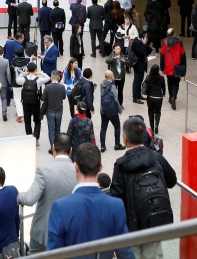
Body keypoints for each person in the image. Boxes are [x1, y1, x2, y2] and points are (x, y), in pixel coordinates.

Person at [46, 143, 135, 259]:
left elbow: (53, 253)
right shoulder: (116, 206)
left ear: (76, 167)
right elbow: (126, 253)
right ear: (100, 167)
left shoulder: (60, 207)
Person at [109, 117, 177, 257]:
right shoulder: (157, 158)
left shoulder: (121, 166)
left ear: (125, 138)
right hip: (153, 223)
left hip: (131, 229)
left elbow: (116, 200)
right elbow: (172, 181)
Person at [18, 133, 77, 253]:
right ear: (71, 150)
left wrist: (18, 196)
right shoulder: (79, 172)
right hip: (69, 230)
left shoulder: (43, 171)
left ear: (53, 147)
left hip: (43, 231)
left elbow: (29, 199)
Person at [17, 62, 50, 147]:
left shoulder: (23, 79)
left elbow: (17, 80)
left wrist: (22, 74)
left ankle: (29, 137)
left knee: (27, 121)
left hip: (26, 103)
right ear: (35, 70)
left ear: (27, 70)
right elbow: (48, 78)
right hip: (36, 102)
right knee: (37, 121)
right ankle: (36, 139)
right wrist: (40, 73)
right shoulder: (38, 80)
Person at [160, 28, 187, 109]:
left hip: (168, 67)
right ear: (174, 34)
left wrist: (162, 67)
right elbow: (183, 55)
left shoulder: (164, 42)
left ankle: (170, 97)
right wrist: (184, 65)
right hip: (177, 67)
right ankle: (173, 97)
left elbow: (162, 55)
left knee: (169, 82)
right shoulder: (179, 42)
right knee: (176, 83)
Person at [40, 71, 67, 152]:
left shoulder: (48, 87)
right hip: (59, 110)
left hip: (50, 110)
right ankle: (58, 146)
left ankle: (52, 147)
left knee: (51, 129)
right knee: (58, 128)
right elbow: (64, 97)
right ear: (59, 78)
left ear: (51, 77)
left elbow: (43, 98)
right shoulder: (62, 87)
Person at [99, 70, 124, 153]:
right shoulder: (112, 86)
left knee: (103, 128)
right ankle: (117, 144)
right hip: (112, 110)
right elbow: (116, 99)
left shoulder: (101, 84)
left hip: (104, 109)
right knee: (117, 126)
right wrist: (119, 109)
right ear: (111, 76)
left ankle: (102, 146)